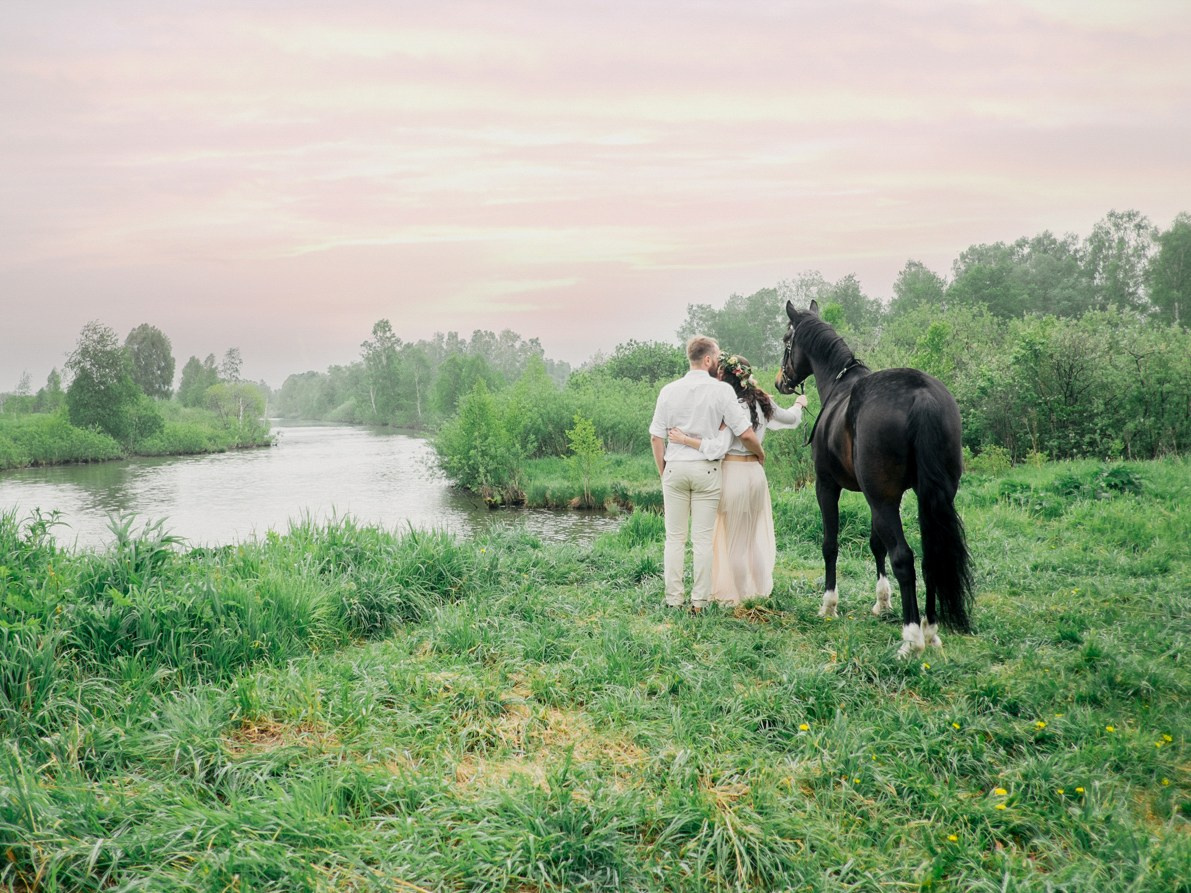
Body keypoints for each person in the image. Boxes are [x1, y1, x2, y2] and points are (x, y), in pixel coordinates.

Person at [668, 353, 807, 606]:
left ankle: (743, 598)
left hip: (733, 474)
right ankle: (759, 592)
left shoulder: (729, 407)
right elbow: (791, 419)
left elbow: (718, 447)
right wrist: (799, 403)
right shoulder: (764, 402)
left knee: (735, 542)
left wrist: (685, 439)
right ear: (746, 376)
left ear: (725, 377)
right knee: (751, 538)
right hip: (755, 474)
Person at [649, 337, 764, 612]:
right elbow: (744, 432)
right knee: (702, 540)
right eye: (717, 358)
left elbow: (656, 436)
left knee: (674, 538)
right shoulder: (722, 391)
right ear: (709, 360)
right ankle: (699, 601)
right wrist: (760, 453)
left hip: (675, 468)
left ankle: (673, 599)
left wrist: (664, 472)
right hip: (707, 469)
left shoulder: (668, 390)